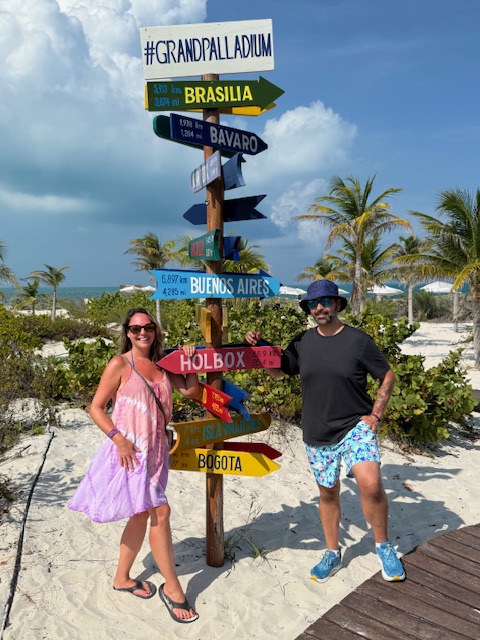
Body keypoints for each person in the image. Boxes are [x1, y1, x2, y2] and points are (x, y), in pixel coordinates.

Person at [245, 280, 405, 583]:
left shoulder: (359, 341)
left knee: (370, 485)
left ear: (337, 304)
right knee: (328, 493)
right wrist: (259, 347)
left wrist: (376, 415)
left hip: (355, 427)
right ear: (309, 309)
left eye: (325, 301)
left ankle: (383, 546)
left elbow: (386, 375)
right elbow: (279, 371)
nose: (319, 308)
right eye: (313, 304)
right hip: (317, 431)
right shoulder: (302, 342)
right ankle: (333, 552)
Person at [68, 307, 200, 623]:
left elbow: (190, 391)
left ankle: (122, 578)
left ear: (155, 331)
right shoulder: (119, 364)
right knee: (161, 511)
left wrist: (191, 361)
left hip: (158, 453)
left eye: (148, 327)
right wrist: (118, 439)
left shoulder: (165, 363)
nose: (143, 332)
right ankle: (173, 588)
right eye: (136, 328)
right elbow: (96, 407)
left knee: (142, 513)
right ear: (127, 332)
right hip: (132, 452)